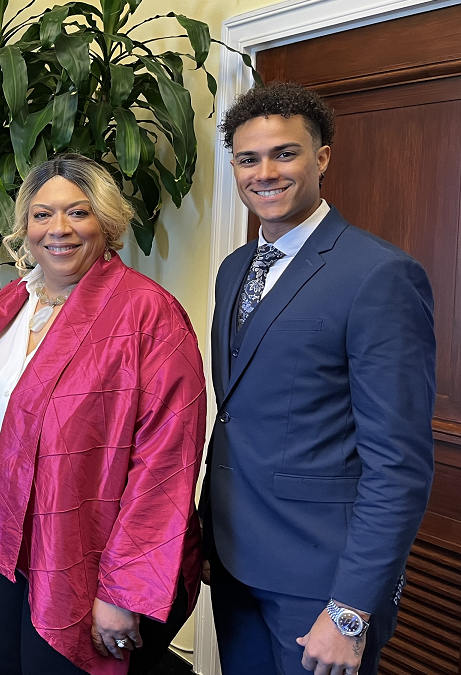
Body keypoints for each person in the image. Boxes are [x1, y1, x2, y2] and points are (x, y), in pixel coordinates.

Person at [205, 82, 435, 675]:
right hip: (234, 562)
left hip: (322, 582)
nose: (265, 173)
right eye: (248, 158)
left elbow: (399, 463)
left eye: (285, 153)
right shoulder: (235, 270)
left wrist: (351, 608)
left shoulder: (379, 275)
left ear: (323, 157)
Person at [0, 154, 206, 675]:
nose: (59, 230)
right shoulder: (10, 304)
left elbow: (165, 465)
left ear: (108, 222)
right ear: (24, 227)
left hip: (82, 543)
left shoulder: (148, 313)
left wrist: (124, 590)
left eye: (78, 213)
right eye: (43, 215)